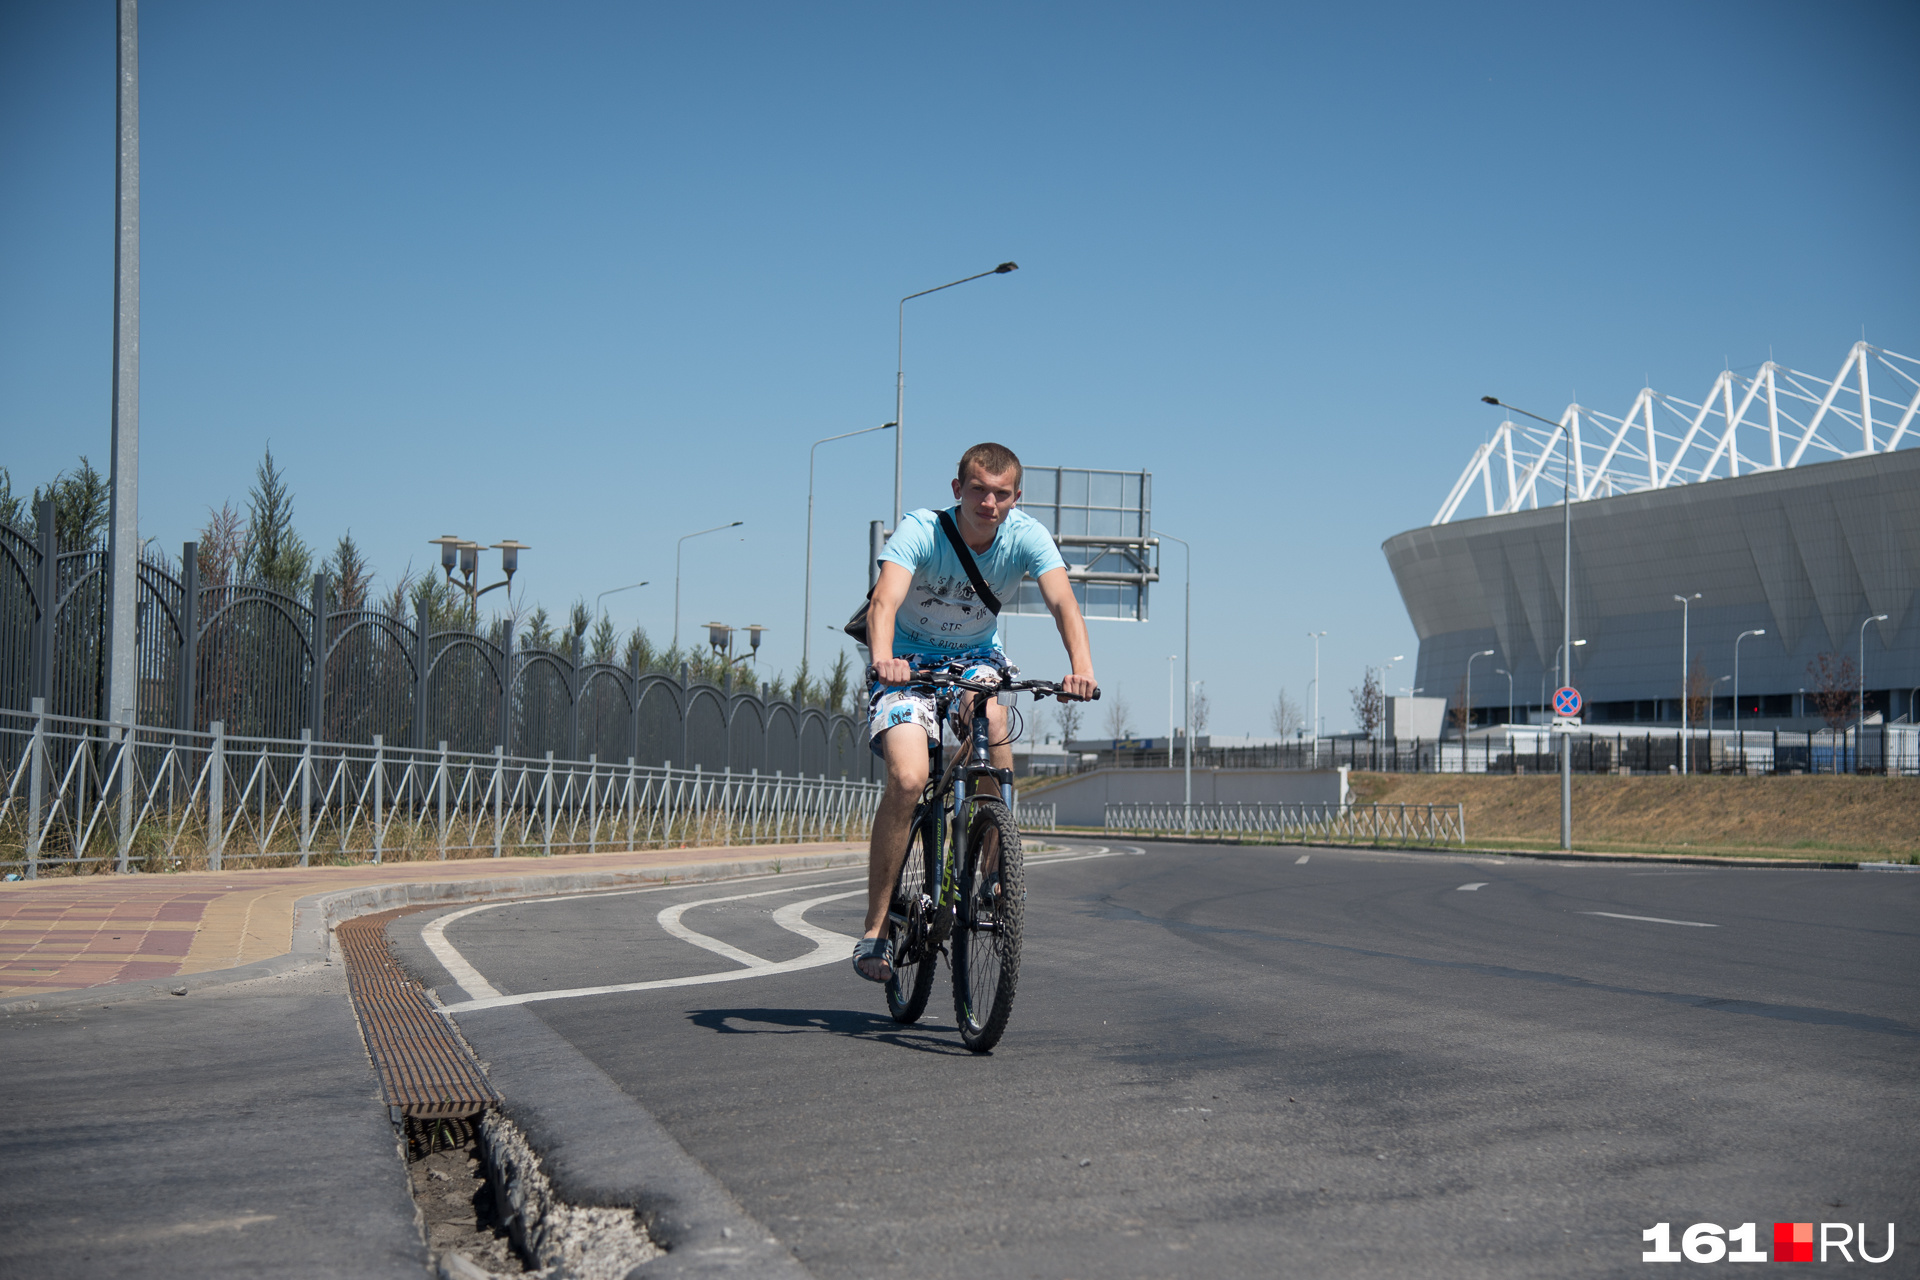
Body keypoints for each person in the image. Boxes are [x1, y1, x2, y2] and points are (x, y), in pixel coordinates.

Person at [851, 442, 1097, 983]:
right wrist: (885, 659)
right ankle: (874, 929)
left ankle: (994, 866)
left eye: (1001, 493)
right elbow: (884, 602)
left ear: (1016, 498)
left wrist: (1081, 667)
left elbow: (1063, 602)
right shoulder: (923, 529)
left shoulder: (1025, 536)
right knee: (910, 777)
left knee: (995, 721)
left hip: (975, 659)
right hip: (908, 659)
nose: (989, 502)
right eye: (979, 489)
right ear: (958, 489)